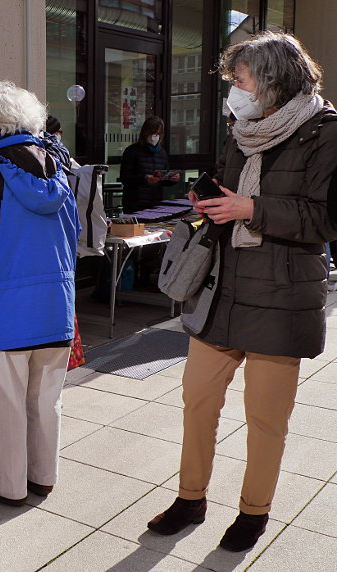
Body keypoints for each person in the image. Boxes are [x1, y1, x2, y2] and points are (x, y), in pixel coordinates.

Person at [147, 31, 337, 552]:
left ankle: (254, 512)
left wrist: (251, 209)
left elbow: (326, 219)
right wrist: (210, 198)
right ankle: (190, 498)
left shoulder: (325, 132)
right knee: (197, 401)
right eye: (233, 79)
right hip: (221, 290)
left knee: (265, 419)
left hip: (281, 294)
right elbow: (231, 187)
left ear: (274, 78)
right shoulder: (242, 130)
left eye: (242, 78)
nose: (235, 88)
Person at [0, 80, 81, 505]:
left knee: (6, 405)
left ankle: (8, 486)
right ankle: (43, 477)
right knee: (46, 400)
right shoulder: (59, 169)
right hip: (55, 305)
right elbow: (74, 236)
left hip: (7, 308)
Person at [119, 116, 180, 213]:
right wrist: (145, 178)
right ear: (145, 133)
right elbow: (125, 178)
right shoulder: (132, 151)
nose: (154, 136)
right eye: (152, 133)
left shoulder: (162, 153)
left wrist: (172, 179)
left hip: (155, 204)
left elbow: (163, 178)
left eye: (158, 134)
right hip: (134, 204)